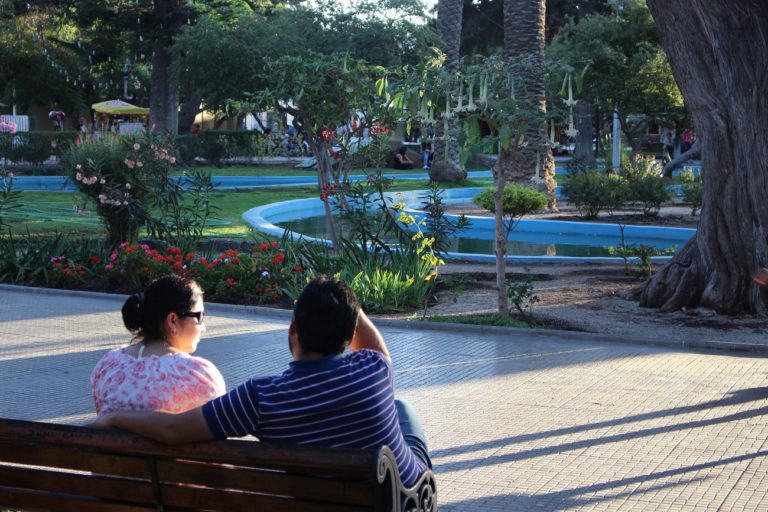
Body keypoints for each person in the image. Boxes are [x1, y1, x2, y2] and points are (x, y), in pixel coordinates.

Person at [89, 277, 431, 488]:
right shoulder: (373, 369)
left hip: (312, 499)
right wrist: (342, 301)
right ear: (348, 332)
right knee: (402, 408)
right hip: (398, 497)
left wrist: (115, 417)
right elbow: (374, 345)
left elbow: (173, 430)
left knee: (397, 408)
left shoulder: (259, 398)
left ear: (293, 330)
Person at [91, 275, 225, 414]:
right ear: (173, 320)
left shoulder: (107, 365)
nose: (203, 328)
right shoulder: (196, 374)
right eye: (199, 317)